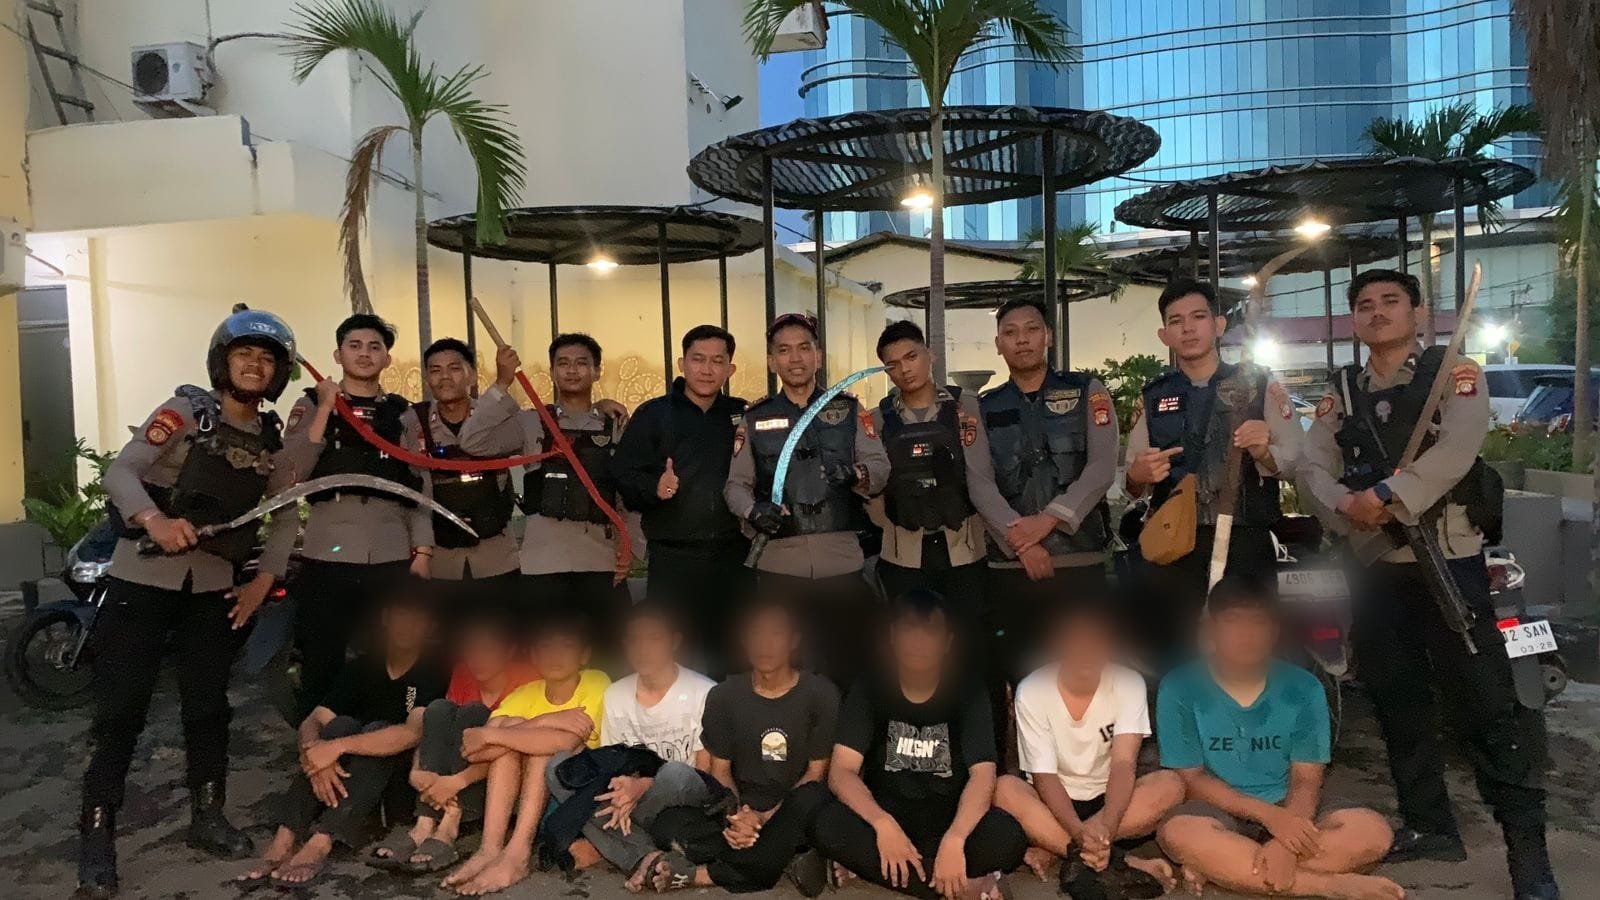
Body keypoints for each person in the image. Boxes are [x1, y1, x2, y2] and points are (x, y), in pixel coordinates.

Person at [1296, 269, 1559, 900]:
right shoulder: (1341, 390)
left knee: (1489, 707)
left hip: (1446, 561)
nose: (1377, 312)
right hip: (1373, 564)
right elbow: (1311, 464)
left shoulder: (1453, 373)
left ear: (1418, 312)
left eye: (1391, 301)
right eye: (1365, 304)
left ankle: (1529, 854)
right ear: (1354, 320)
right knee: (1398, 700)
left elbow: (1458, 449)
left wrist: (1388, 493)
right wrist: (1346, 504)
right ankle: (1430, 825)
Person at [77, 309, 300, 898]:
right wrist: (153, 518)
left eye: (267, 359)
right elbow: (122, 473)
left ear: (277, 373)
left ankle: (208, 815)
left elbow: (281, 517)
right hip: (141, 583)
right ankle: (96, 837)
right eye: (245, 355)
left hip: (212, 592)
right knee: (120, 712)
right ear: (223, 362)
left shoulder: (271, 441)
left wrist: (263, 581)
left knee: (208, 709)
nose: (255, 366)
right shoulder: (184, 413)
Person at [1155, 576, 1400, 900]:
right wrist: (1270, 817)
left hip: (1291, 801)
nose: (1246, 635)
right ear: (1211, 629)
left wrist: (1287, 839)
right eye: (1233, 622)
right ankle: (1330, 886)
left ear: (1275, 631)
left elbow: (1307, 777)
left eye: (1258, 624)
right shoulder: (1179, 686)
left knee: (1371, 833)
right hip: (1219, 805)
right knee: (1180, 833)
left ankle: (1227, 870)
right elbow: (1192, 779)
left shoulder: (1303, 687)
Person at [261, 313, 434, 716]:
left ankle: (380, 736)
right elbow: (291, 472)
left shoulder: (402, 414)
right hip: (329, 548)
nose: (365, 354)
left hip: (391, 549)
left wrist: (423, 550)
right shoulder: (310, 404)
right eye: (354, 346)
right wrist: (326, 407)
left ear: (387, 358)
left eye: (375, 347)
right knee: (322, 653)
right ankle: (315, 736)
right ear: (338, 355)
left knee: (388, 654)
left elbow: (419, 483)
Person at [1124, 280, 1302, 663]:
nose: (1188, 328)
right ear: (1164, 334)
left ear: (1219, 325)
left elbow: (1295, 461)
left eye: (1198, 317)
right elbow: (1131, 482)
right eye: (1176, 321)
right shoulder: (1153, 396)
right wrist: (1138, 475)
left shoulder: (1259, 384)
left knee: (1249, 652)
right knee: (1178, 649)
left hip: (1245, 540)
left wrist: (1264, 451)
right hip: (1176, 544)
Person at [811, 588, 1028, 900]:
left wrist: (956, 838)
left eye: (930, 633)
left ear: (947, 642)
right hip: (888, 815)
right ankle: (965, 887)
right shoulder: (870, 686)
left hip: (950, 817)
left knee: (1008, 838)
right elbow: (842, 771)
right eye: (909, 631)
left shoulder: (968, 689)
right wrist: (882, 824)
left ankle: (904, 874)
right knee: (827, 824)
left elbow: (983, 774)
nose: (918, 643)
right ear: (892, 636)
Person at [238, 586, 449, 888]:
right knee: (338, 725)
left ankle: (321, 842)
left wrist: (335, 748)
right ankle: (283, 840)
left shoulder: (431, 671)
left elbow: (411, 733)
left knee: (375, 730)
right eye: (402, 616)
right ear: (386, 618)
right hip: (350, 773)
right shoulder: (365, 666)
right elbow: (314, 719)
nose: (408, 626)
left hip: (395, 778)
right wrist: (314, 756)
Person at [977, 298, 1119, 734]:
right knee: (1020, 670)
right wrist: (1022, 543)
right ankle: (1026, 764)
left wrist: (1049, 520)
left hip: (1079, 558)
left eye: (1031, 329)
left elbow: (1101, 468)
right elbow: (978, 482)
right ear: (998, 344)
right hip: (1010, 567)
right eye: (1010, 332)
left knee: (1085, 672)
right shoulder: (982, 406)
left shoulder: (1086, 391)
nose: (1022, 340)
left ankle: (1088, 764)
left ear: (1048, 337)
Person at [724, 313, 890, 685]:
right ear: (772, 361)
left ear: (819, 355)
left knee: (850, 665)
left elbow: (880, 467)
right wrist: (753, 510)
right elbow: (735, 485)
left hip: (842, 560)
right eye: (784, 351)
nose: (795, 358)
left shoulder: (849, 410)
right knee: (785, 670)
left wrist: (857, 474)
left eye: (803, 348)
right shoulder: (755, 418)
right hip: (780, 565)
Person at [649, 596, 840, 895]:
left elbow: (816, 774)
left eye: (776, 633)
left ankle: (706, 875)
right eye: (756, 633)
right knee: (666, 824)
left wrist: (764, 819)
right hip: (742, 807)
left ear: (794, 640)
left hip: (796, 809)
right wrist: (739, 818)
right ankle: (781, 859)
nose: (765, 643)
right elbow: (721, 771)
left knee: (811, 799)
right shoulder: (725, 696)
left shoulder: (820, 694)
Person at [995, 597, 1184, 898]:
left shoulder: (1128, 683)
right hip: (1052, 800)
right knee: (1005, 790)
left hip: (1110, 798)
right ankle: (1123, 861)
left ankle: (1060, 847)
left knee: (1170, 785)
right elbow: (1044, 776)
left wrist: (1106, 824)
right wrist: (1078, 831)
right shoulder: (1033, 689)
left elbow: (1123, 764)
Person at [459, 333, 631, 642]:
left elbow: (628, 495)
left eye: (582, 363)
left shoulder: (615, 424)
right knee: (542, 655)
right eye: (563, 363)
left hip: (601, 562)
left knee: (609, 656)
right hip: (543, 564)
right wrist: (502, 383)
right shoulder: (532, 423)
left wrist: (629, 551)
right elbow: (473, 442)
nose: (572, 370)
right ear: (552, 372)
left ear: (597, 371)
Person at [540, 601, 719, 889]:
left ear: (674, 641)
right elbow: (610, 762)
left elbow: (702, 774)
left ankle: (611, 845)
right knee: (558, 768)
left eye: (654, 638)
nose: (643, 649)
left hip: (675, 800)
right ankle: (646, 856)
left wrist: (643, 786)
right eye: (634, 640)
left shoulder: (704, 692)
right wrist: (624, 791)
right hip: (626, 801)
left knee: (675, 773)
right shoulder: (616, 694)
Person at [613, 325, 751, 676]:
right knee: (673, 663)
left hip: (733, 559)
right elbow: (625, 475)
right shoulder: (654, 414)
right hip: (673, 561)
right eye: (698, 359)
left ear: (730, 368)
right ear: (682, 364)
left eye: (717, 361)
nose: (707, 369)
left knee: (734, 660)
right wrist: (654, 488)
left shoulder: (743, 415)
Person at [869, 321, 1016, 646]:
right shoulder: (877, 420)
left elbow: (991, 476)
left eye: (911, 357)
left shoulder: (970, 407)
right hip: (903, 555)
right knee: (911, 647)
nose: (905, 369)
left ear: (930, 354)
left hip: (965, 552)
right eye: (893, 365)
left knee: (969, 645)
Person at [441, 613, 610, 895]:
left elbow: (567, 741)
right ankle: (489, 849)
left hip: (574, 803)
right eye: (546, 646)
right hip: (528, 804)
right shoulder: (525, 693)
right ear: (533, 655)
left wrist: (501, 734)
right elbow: (476, 749)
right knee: (514, 746)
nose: (555, 654)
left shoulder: (595, 681)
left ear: (584, 655)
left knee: (540, 749)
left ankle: (517, 855)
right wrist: (545, 721)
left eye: (566, 645)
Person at [366, 608, 537, 874]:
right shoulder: (463, 673)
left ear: (509, 651)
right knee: (439, 708)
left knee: (475, 713)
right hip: (451, 776)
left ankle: (450, 822)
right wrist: (417, 770)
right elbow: (440, 732)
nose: (478, 658)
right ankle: (424, 823)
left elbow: (513, 748)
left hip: (492, 778)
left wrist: (456, 782)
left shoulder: (527, 679)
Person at [403, 338, 521, 614]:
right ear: (427, 379)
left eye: (454, 368)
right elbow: (413, 489)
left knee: (501, 634)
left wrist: (601, 405)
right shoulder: (412, 422)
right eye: (435, 370)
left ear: (473, 375)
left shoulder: (497, 415)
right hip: (440, 559)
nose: (445, 377)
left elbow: (547, 429)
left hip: (496, 555)